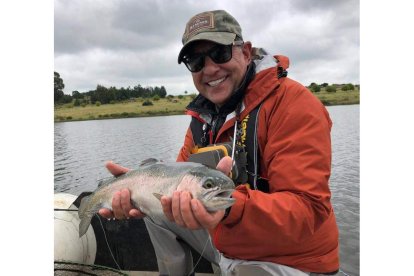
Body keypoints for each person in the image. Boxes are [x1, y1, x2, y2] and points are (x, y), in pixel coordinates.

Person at [99, 9, 340, 276]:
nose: (210, 68)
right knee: (157, 212)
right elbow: (178, 179)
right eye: (196, 61)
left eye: (220, 53)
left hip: (290, 258)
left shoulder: (294, 105)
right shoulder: (203, 117)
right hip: (224, 239)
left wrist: (231, 209)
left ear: (246, 52)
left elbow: (308, 210)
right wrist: (138, 191)